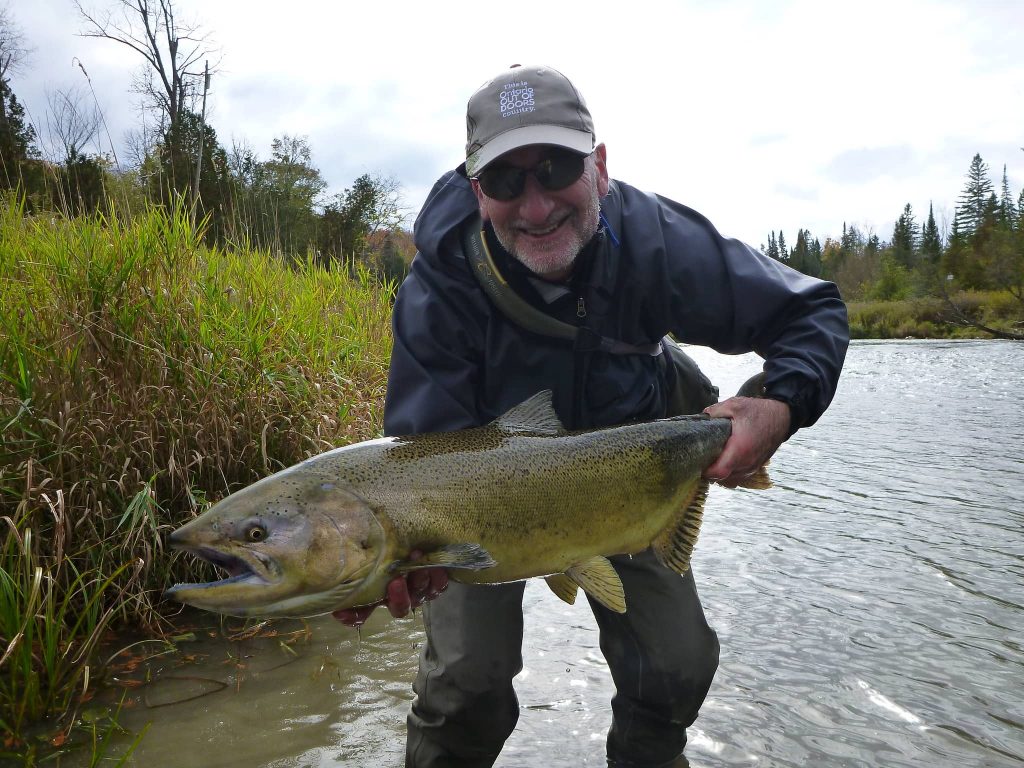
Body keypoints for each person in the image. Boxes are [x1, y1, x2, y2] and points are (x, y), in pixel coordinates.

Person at [335, 64, 849, 767]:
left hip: (630, 484)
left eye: (555, 168)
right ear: (475, 188)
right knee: (467, 683)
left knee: (675, 668)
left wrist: (781, 406)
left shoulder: (655, 241)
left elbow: (811, 310)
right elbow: (422, 465)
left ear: (599, 165)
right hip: (481, 508)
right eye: (507, 182)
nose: (537, 205)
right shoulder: (438, 291)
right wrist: (382, 565)